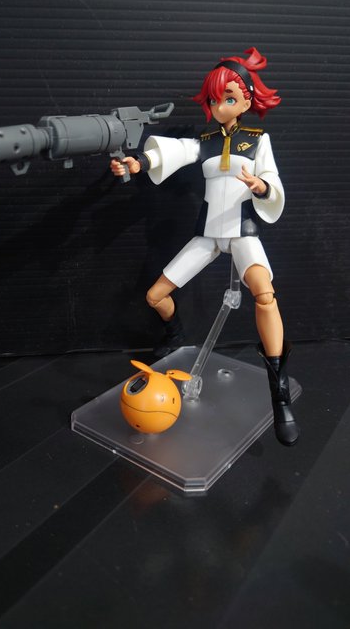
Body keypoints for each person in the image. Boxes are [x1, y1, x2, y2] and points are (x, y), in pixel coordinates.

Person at [110, 47, 299, 446]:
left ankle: (279, 389)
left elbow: (273, 181)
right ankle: (175, 334)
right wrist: (138, 163)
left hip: (243, 233)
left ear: (246, 100)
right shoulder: (206, 141)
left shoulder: (257, 140)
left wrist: (261, 186)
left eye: (228, 98)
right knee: (155, 296)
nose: (219, 106)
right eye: (213, 100)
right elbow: (175, 152)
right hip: (208, 236)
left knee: (265, 296)